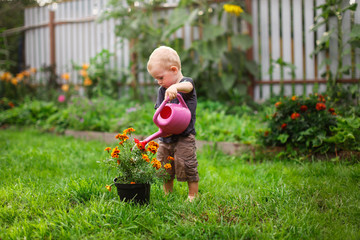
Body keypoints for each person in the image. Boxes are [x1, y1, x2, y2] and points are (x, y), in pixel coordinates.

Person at [147, 46, 199, 201]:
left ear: (174, 69)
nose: (159, 82)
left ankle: (192, 195)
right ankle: (167, 193)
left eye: (161, 78)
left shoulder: (185, 84)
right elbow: (160, 111)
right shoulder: (162, 90)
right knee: (164, 165)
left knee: (187, 163)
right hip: (166, 136)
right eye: (156, 79)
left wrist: (175, 87)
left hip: (184, 136)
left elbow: (188, 87)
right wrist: (162, 128)